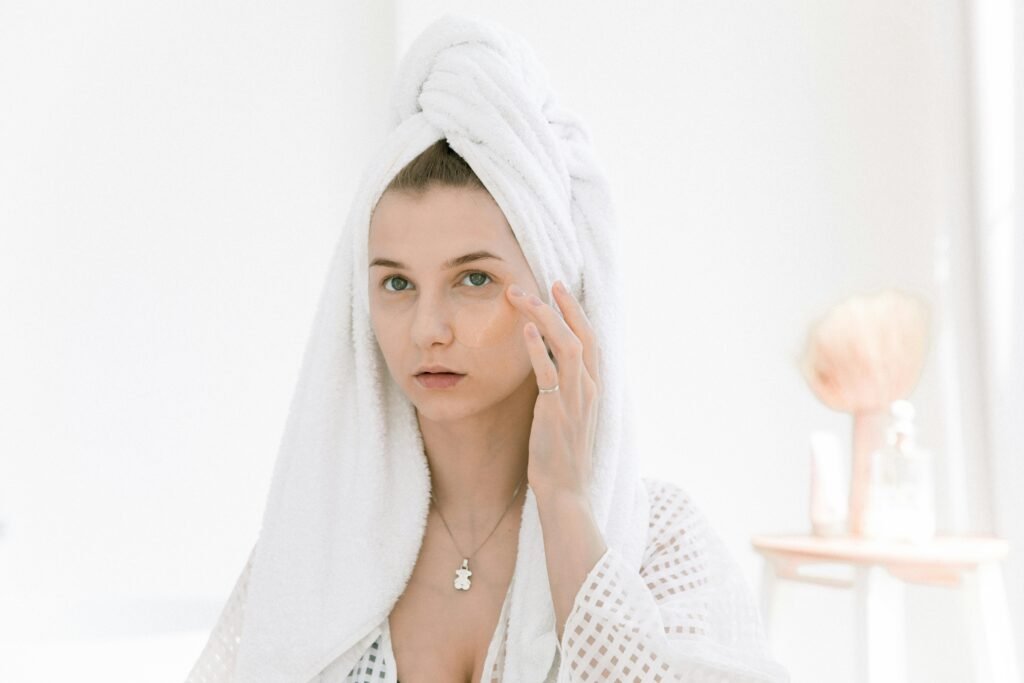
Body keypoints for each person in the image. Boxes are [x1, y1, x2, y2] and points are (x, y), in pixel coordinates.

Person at [186, 14, 790, 683]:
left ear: (561, 296)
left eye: (474, 278)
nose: (427, 328)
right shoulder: (318, 545)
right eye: (396, 282)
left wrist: (565, 506)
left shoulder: (659, 541)